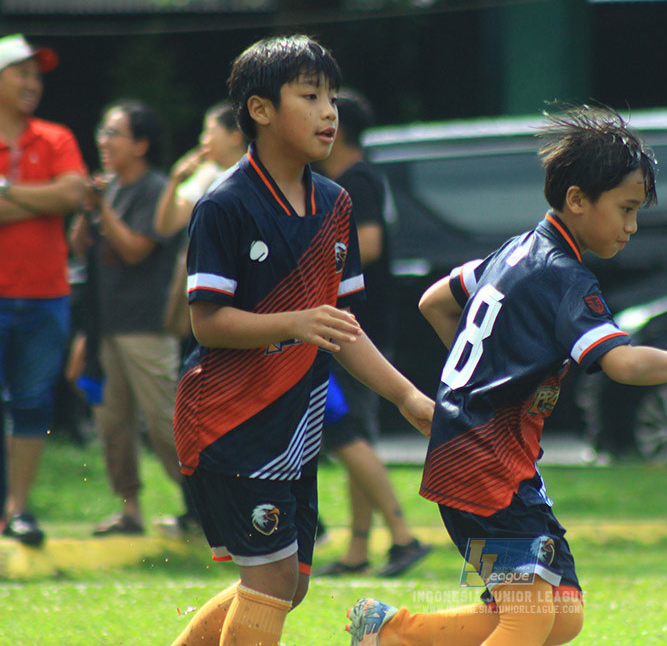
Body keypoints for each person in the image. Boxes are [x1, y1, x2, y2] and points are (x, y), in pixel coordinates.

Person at [346, 105, 667, 646]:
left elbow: (435, 300)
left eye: (637, 210)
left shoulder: (516, 250)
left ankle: (390, 630)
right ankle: (390, 631)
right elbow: (621, 363)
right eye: (625, 208)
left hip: (489, 460)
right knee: (528, 619)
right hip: (482, 467)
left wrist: (471, 382)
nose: (632, 226)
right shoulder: (564, 277)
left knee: (561, 614)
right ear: (577, 199)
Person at [169, 35, 433, 646]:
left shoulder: (336, 204)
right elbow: (206, 322)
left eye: (332, 98)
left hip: (295, 422)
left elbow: (343, 328)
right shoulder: (225, 205)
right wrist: (292, 322)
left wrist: (407, 397)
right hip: (229, 422)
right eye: (310, 96)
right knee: (272, 578)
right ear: (260, 111)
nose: (329, 112)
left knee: (291, 584)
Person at [314, 89, 430, 579]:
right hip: (360, 326)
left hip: (353, 330)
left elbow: (371, 245)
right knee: (354, 435)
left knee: (344, 435)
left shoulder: (355, 180)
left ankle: (403, 537)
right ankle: (359, 550)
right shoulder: (355, 178)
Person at [67, 99, 187, 536]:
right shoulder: (108, 188)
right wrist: (88, 207)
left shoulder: (156, 189)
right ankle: (130, 510)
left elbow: (136, 249)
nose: (102, 141)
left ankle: (202, 508)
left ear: (140, 144)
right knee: (112, 424)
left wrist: (103, 209)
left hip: (147, 325)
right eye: (102, 132)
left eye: (113, 133)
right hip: (105, 326)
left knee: (163, 424)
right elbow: (79, 246)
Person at [0, 33, 88, 546]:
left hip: (45, 295)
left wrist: (8, 192)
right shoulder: (55, 147)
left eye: (37, 75)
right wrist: (45, 198)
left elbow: (74, 193)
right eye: (22, 72)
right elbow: (58, 195)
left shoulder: (54, 137)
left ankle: (18, 510)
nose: (33, 83)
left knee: (33, 405)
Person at [154, 101, 247, 239]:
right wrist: (175, 180)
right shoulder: (207, 174)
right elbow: (166, 228)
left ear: (235, 136)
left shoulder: (259, 176)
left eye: (209, 132)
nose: (203, 140)